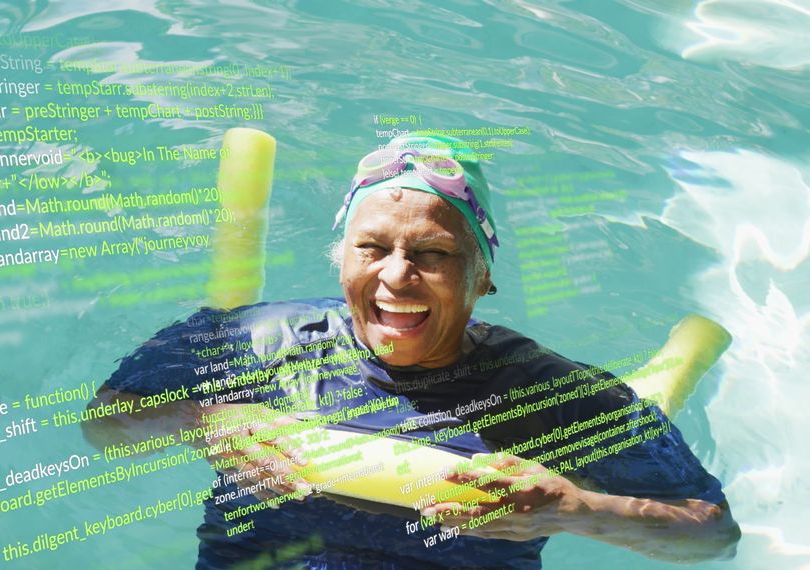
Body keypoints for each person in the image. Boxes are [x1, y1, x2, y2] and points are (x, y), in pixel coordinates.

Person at [83, 135, 740, 569]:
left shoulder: (547, 394)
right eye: (371, 249)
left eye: (432, 254)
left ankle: (683, 356)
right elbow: (106, 421)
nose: (396, 277)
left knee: (648, 405)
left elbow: (709, 529)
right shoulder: (258, 342)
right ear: (341, 260)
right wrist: (201, 422)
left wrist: (576, 508)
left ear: (482, 278)